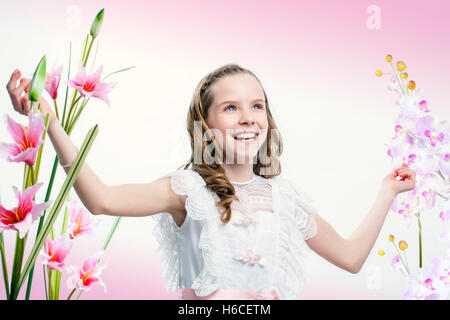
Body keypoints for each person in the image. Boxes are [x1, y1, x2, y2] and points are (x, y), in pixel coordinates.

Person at [5, 64, 416, 300]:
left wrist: (387, 193)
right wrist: (52, 125)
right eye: (230, 107)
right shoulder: (188, 191)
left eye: (257, 105)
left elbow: (349, 257)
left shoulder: (284, 197)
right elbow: (102, 200)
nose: (247, 117)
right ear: (206, 123)